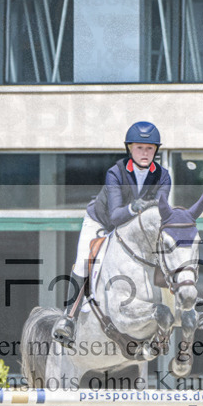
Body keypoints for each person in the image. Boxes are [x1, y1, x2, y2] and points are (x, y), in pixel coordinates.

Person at [51, 121, 171, 345]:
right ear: (130, 149)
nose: (145, 153)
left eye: (149, 148)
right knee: (84, 260)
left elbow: (160, 210)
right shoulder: (115, 172)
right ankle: (68, 319)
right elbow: (116, 216)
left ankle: (182, 311)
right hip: (102, 222)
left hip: (136, 230)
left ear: (156, 150)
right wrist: (135, 207)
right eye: (139, 148)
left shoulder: (163, 176)